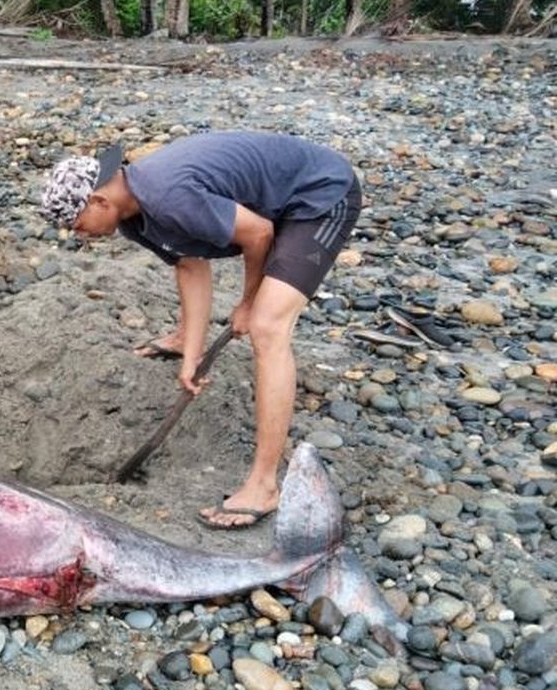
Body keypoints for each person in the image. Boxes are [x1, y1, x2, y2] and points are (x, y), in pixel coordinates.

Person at [40, 131, 362, 530]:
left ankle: (263, 486)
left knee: (266, 326)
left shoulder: (168, 196)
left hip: (320, 195)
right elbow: (190, 265)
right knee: (254, 314)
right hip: (279, 200)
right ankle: (184, 340)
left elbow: (259, 233)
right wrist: (190, 353)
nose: (81, 236)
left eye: (77, 225)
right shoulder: (134, 215)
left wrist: (248, 301)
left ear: (99, 201)